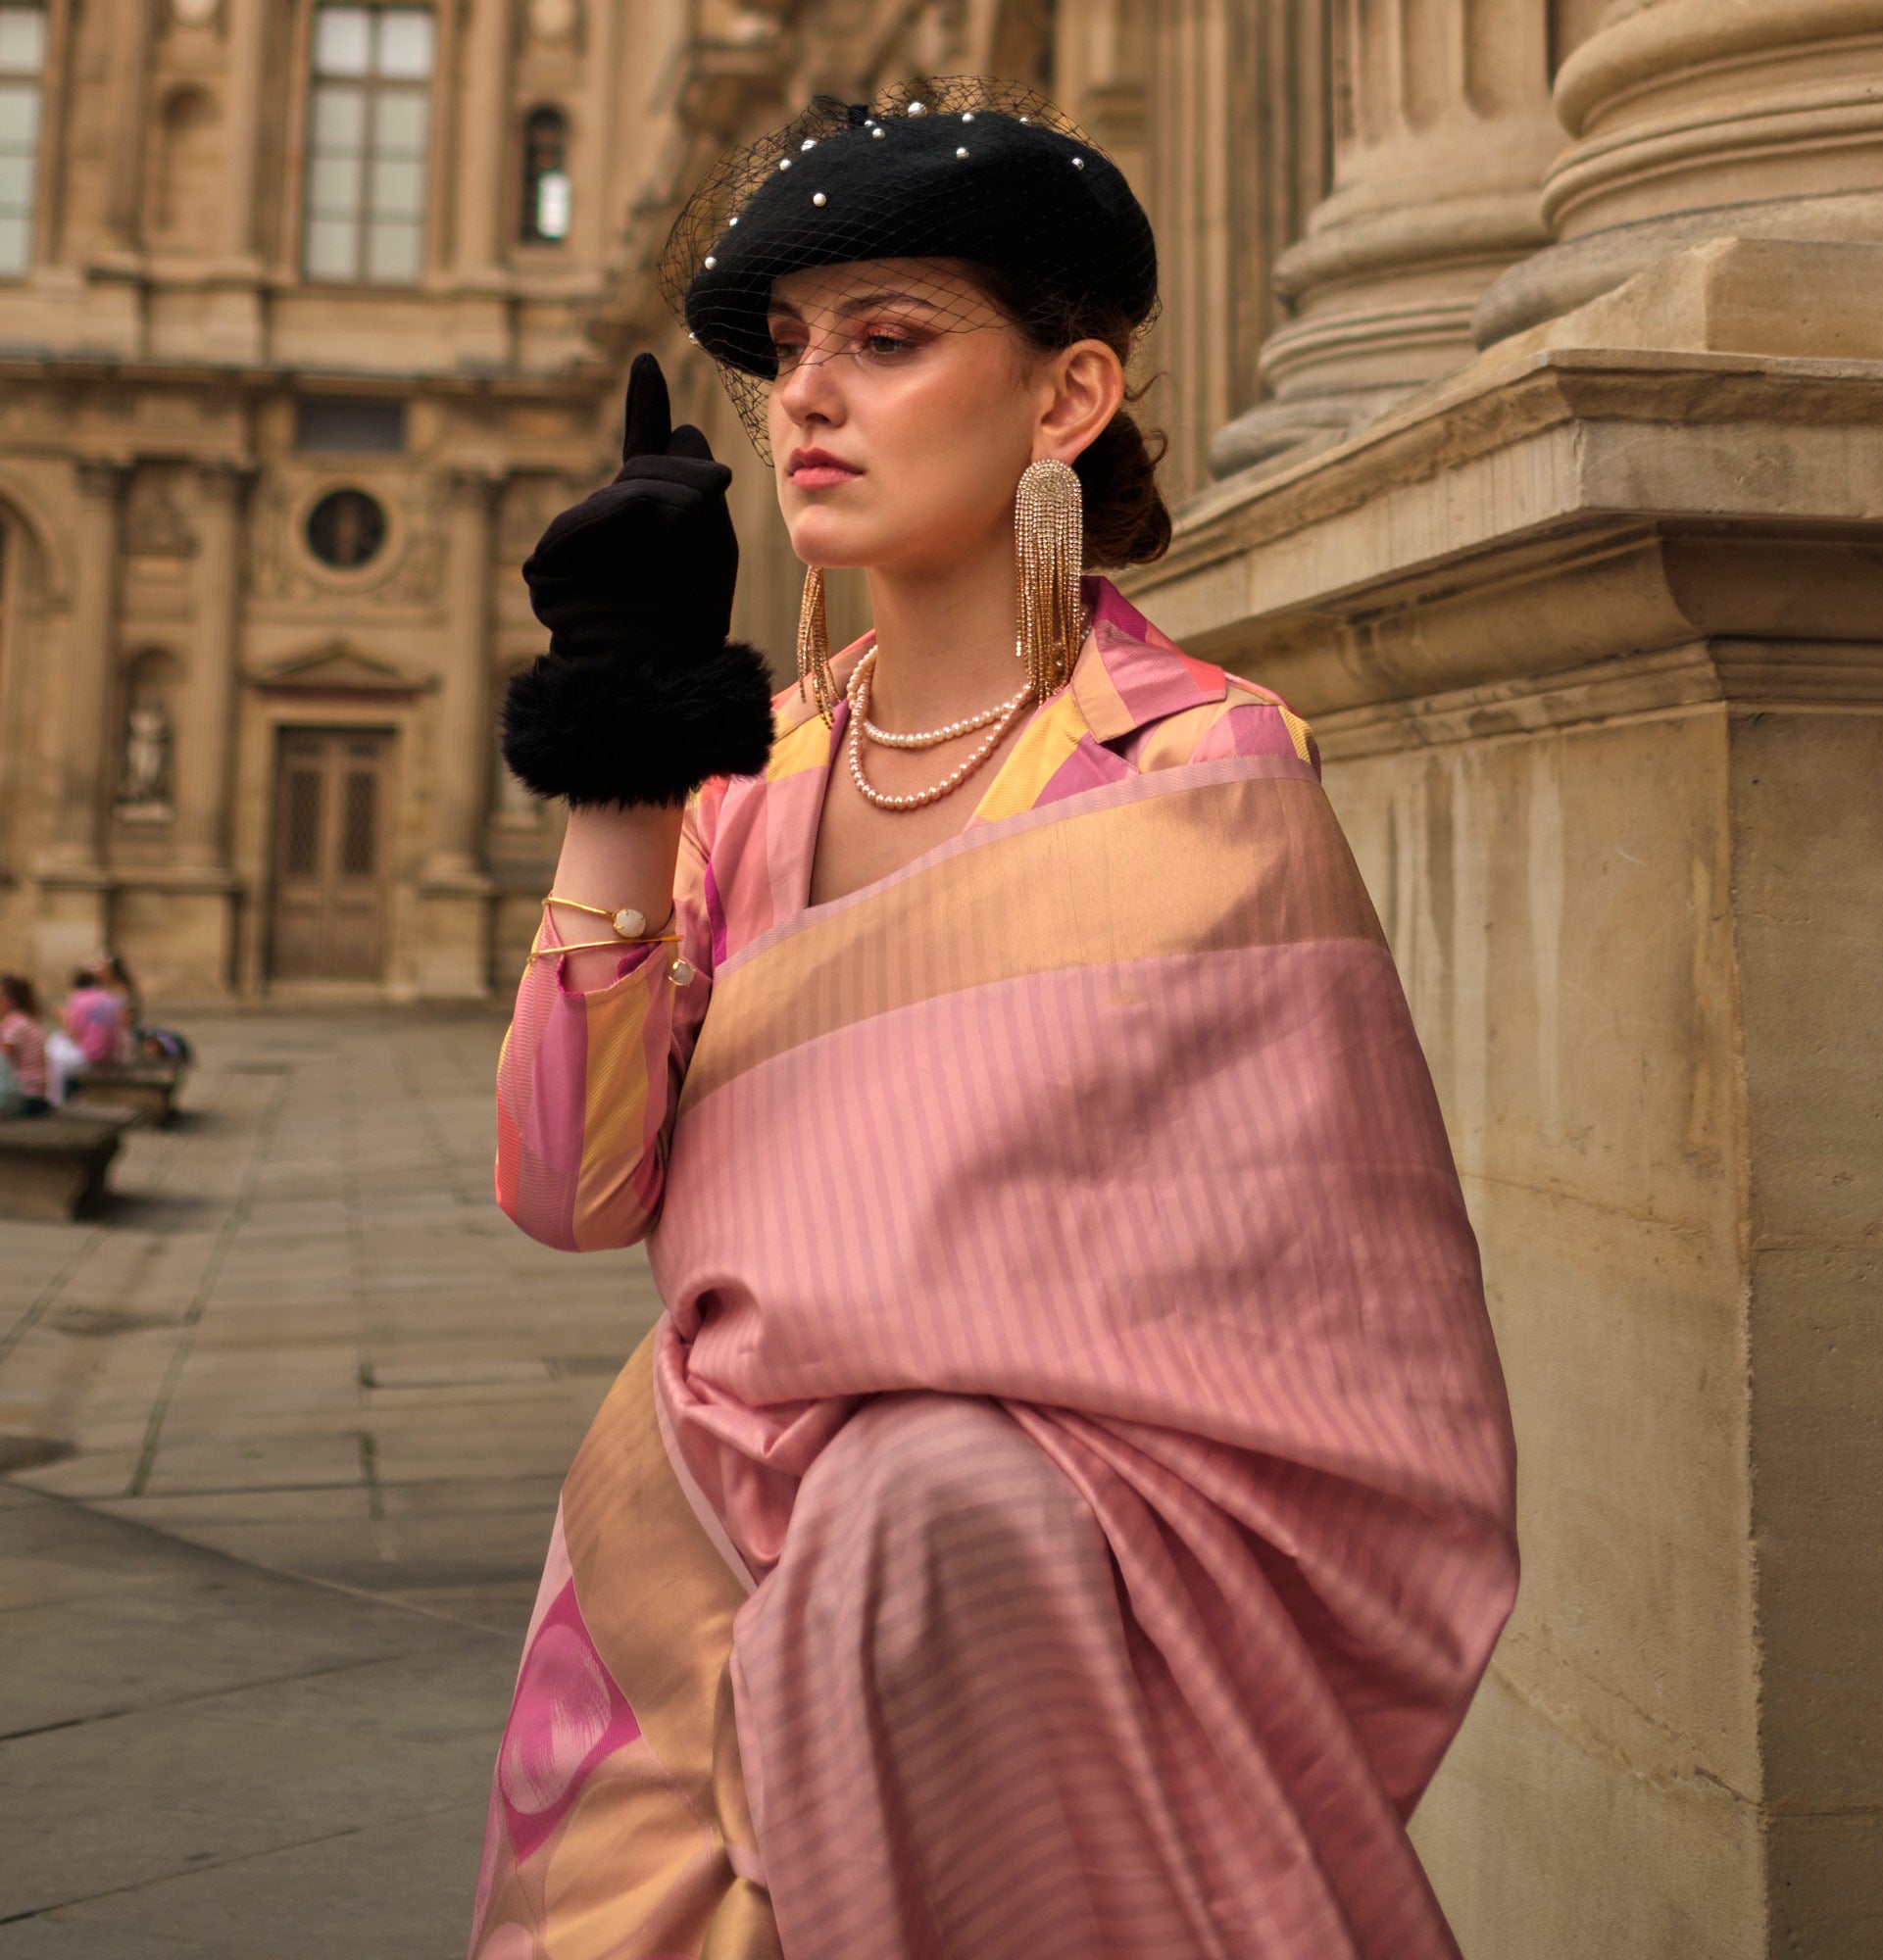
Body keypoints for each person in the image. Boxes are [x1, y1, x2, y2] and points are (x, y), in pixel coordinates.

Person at [472, 81, 1516, 1960]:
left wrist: (905, 1478)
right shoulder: (751, 779)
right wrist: (623, 745)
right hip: (673, 1598)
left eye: (886, 340)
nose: (803, 395)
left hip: (1021, 1630)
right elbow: (567, 1186)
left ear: (1066, 399)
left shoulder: (1196, 770)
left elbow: (1339, 1356)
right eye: (785, 352)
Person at [0, 974, 51, 1115]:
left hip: (22, 1096)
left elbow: (4, 1060)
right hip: (35, 1096)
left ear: (9, 1001)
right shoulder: (26, 1021)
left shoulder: (14, 1025)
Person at [60, 968, 124, 1069]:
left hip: (90, 1055)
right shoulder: (110, 997)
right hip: (110, 1055)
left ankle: (60, 1085)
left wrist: (63, 1018)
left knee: (54, 1046)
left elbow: (73, 1033)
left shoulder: (79, 999)